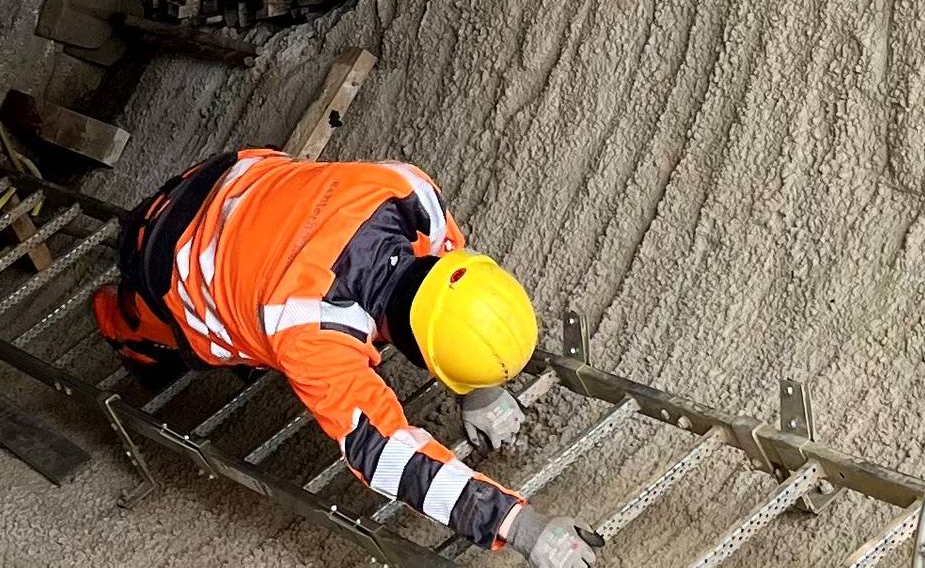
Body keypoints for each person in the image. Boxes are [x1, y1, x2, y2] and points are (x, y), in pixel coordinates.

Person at [91, 149, 601, 568]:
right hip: (169, 257)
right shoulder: (309, 330)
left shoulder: (411, 193)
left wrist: (480, 386)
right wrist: (522, 527)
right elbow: (383, 454)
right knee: (153, 337)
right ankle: (121, 329)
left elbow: (457, 304)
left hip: (239, 176)